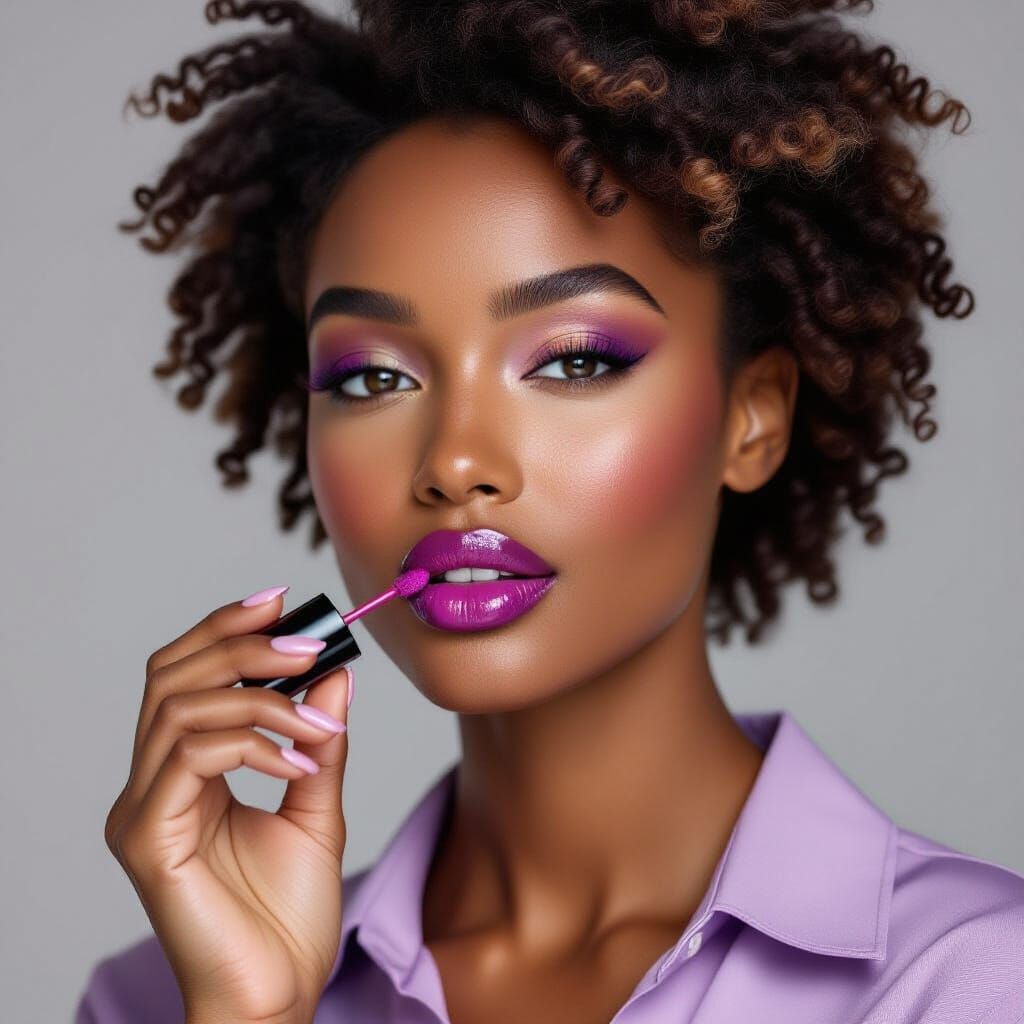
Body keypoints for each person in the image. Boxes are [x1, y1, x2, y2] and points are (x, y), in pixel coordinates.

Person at [77, 1, 1024, 1022]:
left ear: (752, 419)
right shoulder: (157, 997)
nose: (453, 462)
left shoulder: (967, 978)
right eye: (370, 378)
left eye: (574, 360)